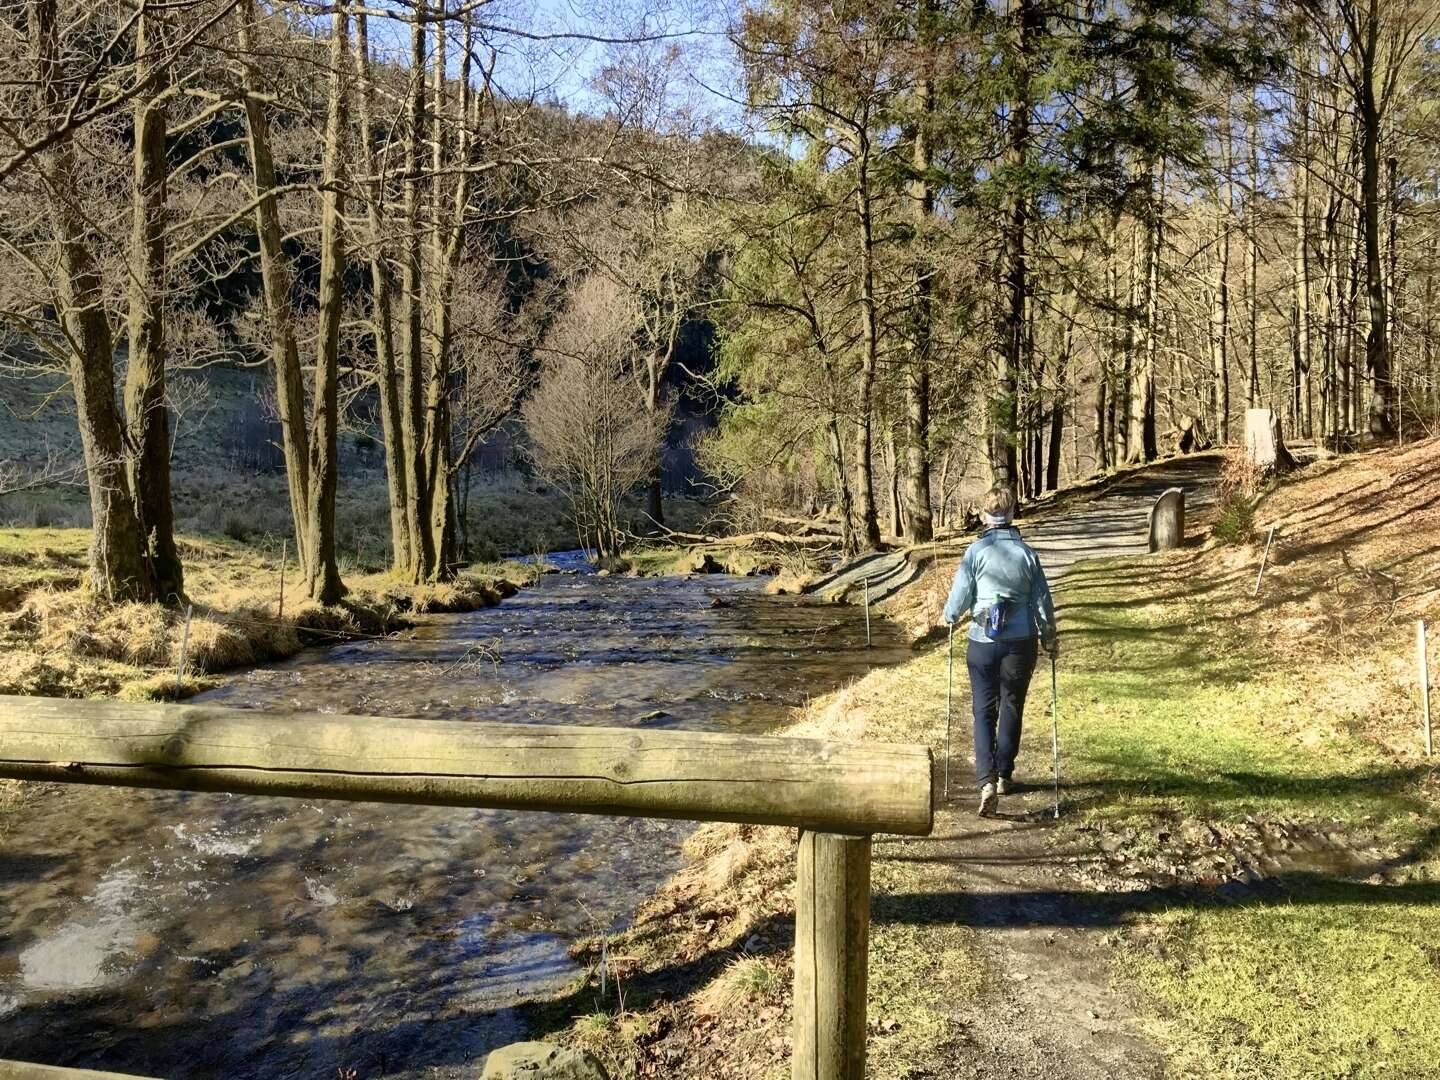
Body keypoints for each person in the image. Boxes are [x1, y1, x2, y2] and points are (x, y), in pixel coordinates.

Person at [942, 483, 1058, 817]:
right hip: (1020, 643)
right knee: (1011, 705)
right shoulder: (1027, 554)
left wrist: (949, 616)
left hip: (982, 642)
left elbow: (960, 597)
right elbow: (1041, 603)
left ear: (984, 516)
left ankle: (986, 781)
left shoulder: (975, 553)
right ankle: (1005, 774)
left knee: (983, 709)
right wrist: (1049, 638)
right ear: (1012, 513)